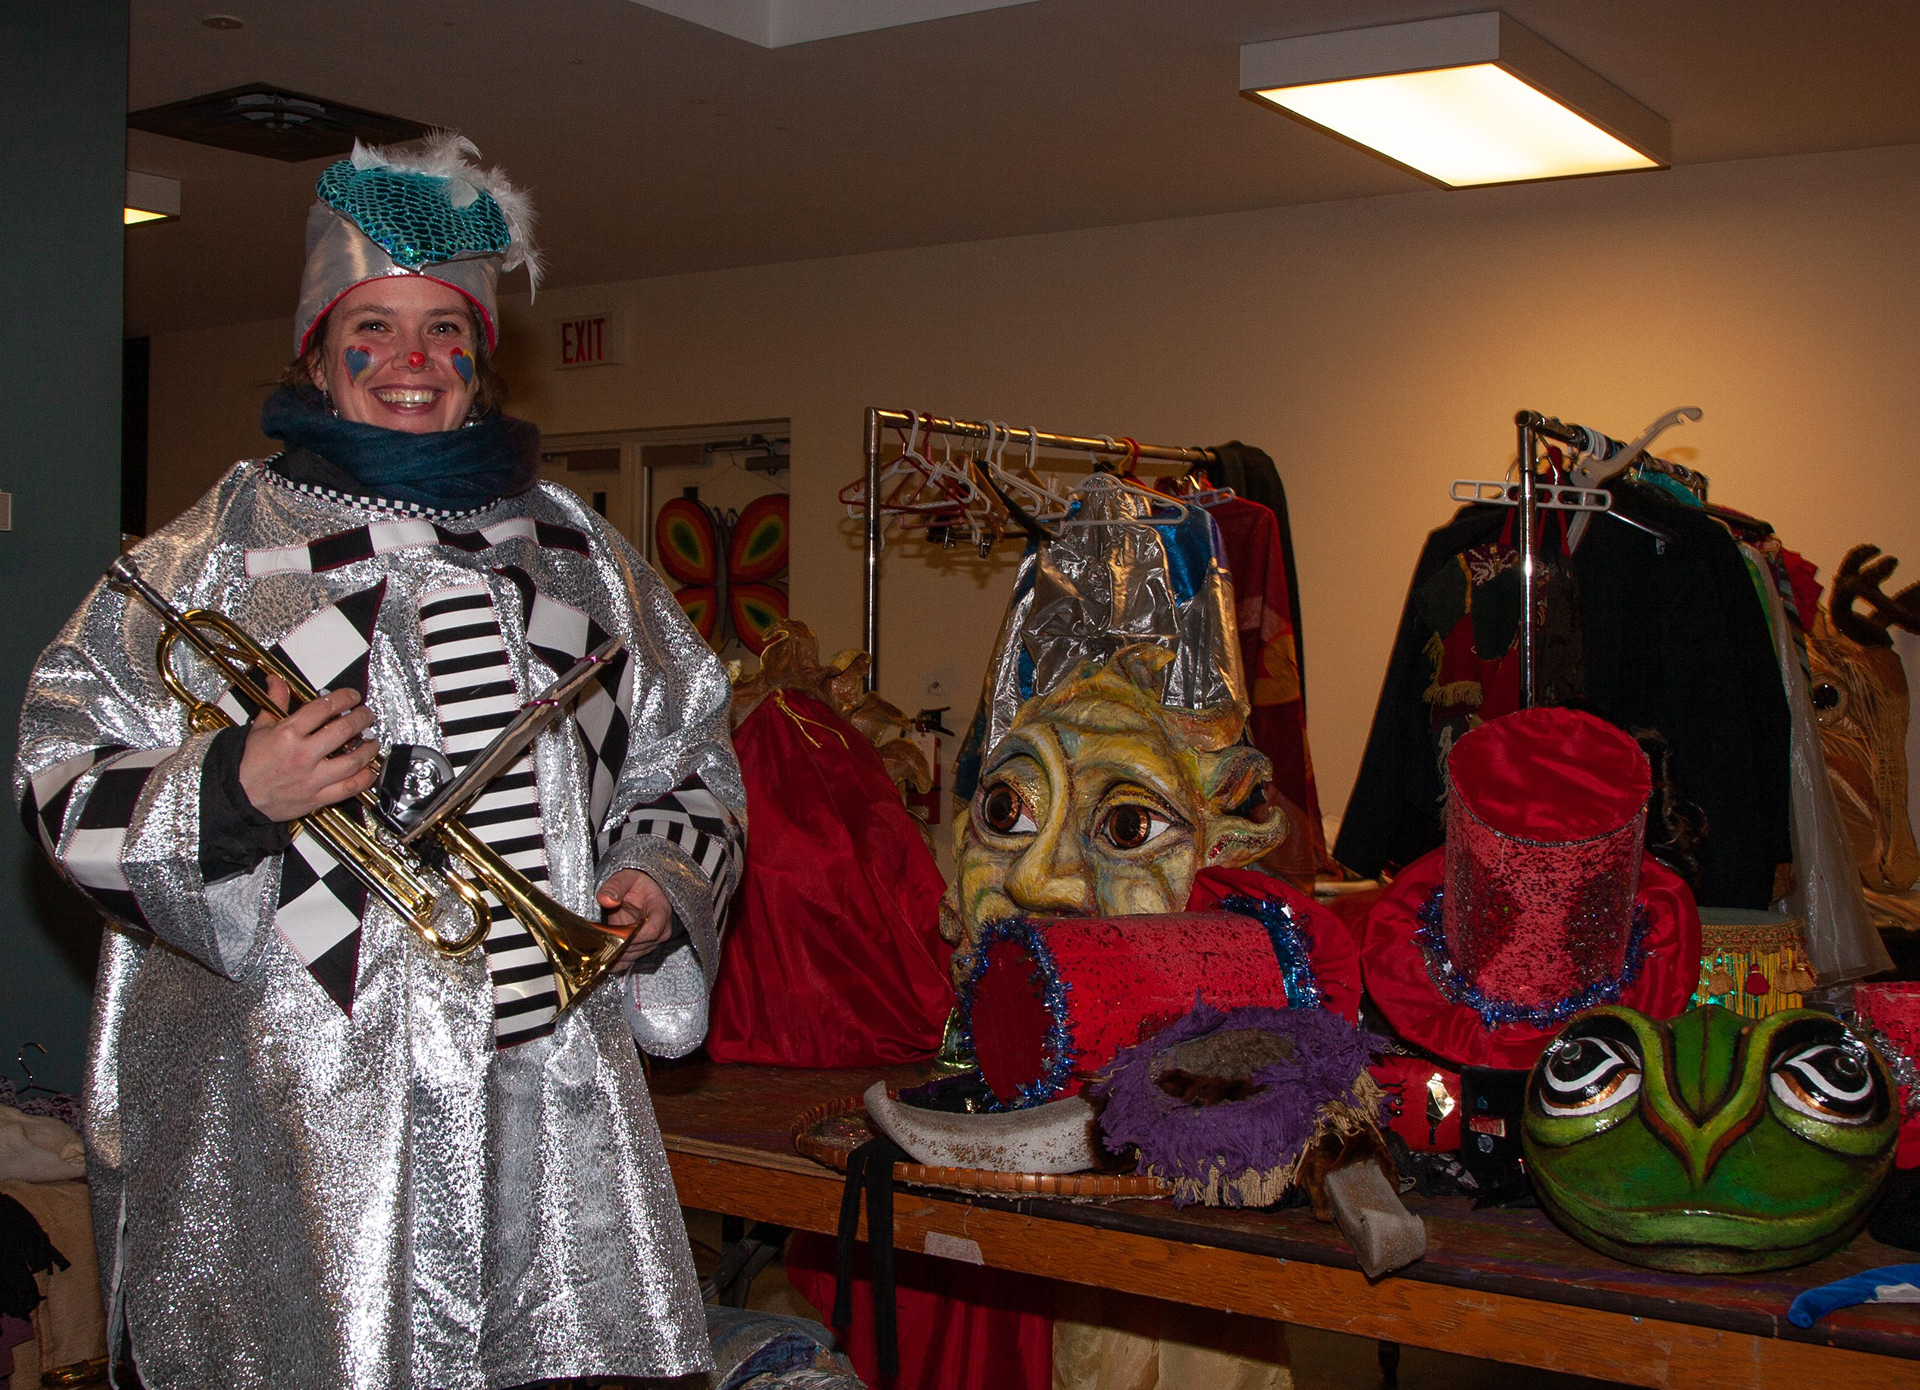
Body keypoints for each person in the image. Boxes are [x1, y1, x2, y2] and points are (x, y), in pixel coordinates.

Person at [14, 135, 744, 1389]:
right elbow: (59, 777)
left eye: (442, 330)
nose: (412, 360)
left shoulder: (585, 561)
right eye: (374, 328)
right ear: (315, 352)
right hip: (303, 1129)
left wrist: (660, 884)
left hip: (550, 1112)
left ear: (480, 358)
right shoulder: (203, 563)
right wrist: (232, 788)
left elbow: (688, 758)